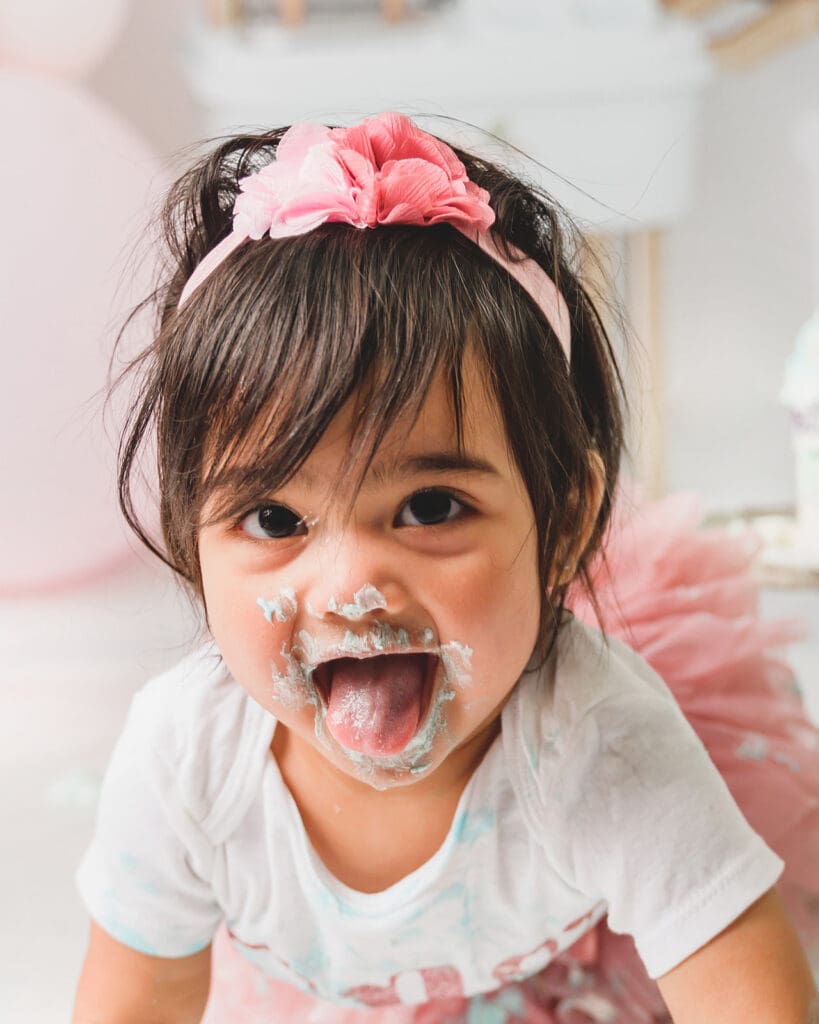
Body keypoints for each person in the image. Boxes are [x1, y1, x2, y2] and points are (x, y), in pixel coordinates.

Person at [71, 112, 819, 1023]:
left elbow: (753, 1004)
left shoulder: (600, 745)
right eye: (275, 518)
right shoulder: (186, 758)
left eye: (431, 507)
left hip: (572, 963)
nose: (349, 587)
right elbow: (133, 1003)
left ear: (567, 518)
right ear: (192, 537)